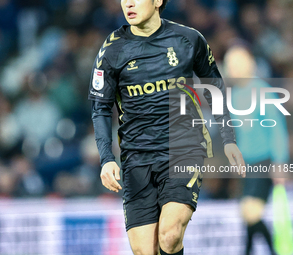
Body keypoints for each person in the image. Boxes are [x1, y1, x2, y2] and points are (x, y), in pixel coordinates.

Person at [89, 1, 245, 254]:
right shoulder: (112, 49)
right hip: (136, 158)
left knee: (170, 236)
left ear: (158, 1)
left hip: (184, 149)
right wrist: (107, 159)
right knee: (144, 251)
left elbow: (214, 87)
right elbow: (100, 108)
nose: (128, 3)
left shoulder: (188, 39)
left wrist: (228, 138)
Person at [223, 44, 289, 255]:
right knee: (249, 215)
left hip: (264, 161)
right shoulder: (235, 95)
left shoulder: (262, 91)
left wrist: (280, 162)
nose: (233, 68)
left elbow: (277, 129)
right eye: (230, 64)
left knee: (250, 213)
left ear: (250, 64)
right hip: (248, 164)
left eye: (237, 63)